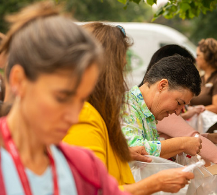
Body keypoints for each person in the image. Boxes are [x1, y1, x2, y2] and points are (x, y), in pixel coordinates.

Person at [0, 2, 129, 195]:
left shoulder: (85, 167)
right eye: (62, 97)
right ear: (18, 81)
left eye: (81, 99)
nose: (73, 116)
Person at [63, 22, 194, 195]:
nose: (122, 79)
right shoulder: (84, 116)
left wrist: (121, 154)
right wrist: (156, 183)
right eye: (120, 68)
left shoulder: (92, 112)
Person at [140, 44, 217, 171]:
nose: (178, 112)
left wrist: (197, 139)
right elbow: (136, 149)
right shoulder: (130, 107)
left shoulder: (150, 109)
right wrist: (184, 143)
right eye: (179, 103)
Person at [121, 55, 203, 159]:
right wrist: (182, 144)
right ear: (162, 85)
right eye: (178, 103)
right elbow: (134, 150)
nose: (178, 112)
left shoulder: (148, 114)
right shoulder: (126, 106)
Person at [190, 38, 217, 133]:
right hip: (199, 131)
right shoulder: (199, 79)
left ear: (208, 57)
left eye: (198, 55)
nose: (196, 59)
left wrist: (193, 111)